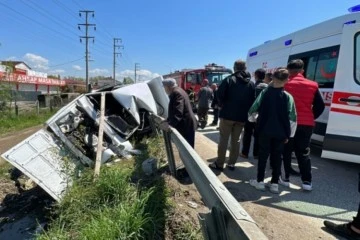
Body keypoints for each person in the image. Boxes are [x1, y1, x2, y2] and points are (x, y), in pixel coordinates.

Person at [248, 68, 297, 194]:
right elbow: (293, 117)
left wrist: (253, 120)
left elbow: (253, 109)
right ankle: (274, 183)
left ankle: (260, 182)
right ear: (287, 80)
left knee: (263, 156)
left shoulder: (265, 93)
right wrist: (289, 135)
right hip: (281, 132)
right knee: (277, 157)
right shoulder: (288, 97)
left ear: (272, 78)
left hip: (264, 129)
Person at [280, 59, 325, 191]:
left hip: (289, 123)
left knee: (287, 150)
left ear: (288, 70)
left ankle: (286, 178)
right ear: (302, 71)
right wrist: (311, 116)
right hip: (307, 124)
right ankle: (307, 182)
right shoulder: (313, 85)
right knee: (303, 152)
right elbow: (320, 105)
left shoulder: (285, 84)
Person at [209, 60, 255, 171]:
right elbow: (253, 100)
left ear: (234, 68)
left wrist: (221, 105)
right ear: (245, 68)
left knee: (224, 140)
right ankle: (232, 164)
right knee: (236, 140)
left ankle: (219, 164)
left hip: (227, 116)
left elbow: (219, 95)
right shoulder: (251, 83)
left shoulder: (229, 80)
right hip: (242, 117)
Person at [161, 78, 197, 148]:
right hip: (187, 124)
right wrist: (168, 120)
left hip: (186, 126)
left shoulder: (176, 93)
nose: (164, 90)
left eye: (164, 87)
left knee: (188, 150)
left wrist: (170, 124)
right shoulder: (179, 90)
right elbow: (175, 110)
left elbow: (178, 111)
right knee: (186, 148)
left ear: (168, 87)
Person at [240, 68, 266, 159]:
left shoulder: (251, 86)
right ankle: (256, 154)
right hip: (262, 115)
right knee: (258, 135)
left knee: (247, 134)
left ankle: (245, 153)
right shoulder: (267, 88)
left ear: (256, 76)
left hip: (250, 113)